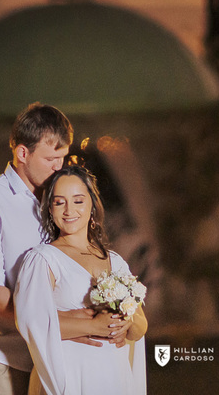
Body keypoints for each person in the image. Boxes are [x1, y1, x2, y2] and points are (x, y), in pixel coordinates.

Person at [0, 104, 127, 395]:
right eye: (51, 158)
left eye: (63, 158)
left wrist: (113, 320)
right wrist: (73, 322)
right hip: (10, 356)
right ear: (23, 153)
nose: (58, 167)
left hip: (63, 357)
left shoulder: (60, 198)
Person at [14, 165, 148, 395]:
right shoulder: (43, 259)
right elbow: (30, 324)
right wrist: (92, 325)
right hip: (70, 376)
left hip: (114, 375)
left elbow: (140, 327)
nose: (69, 210)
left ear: (92, 205)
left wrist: (127, 323)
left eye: (78, 200)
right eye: (59, 202)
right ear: (49, 208)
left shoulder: (115, 261)